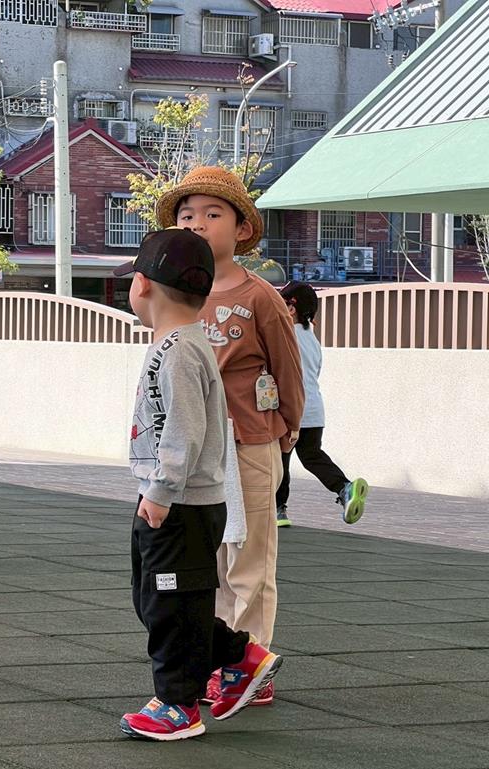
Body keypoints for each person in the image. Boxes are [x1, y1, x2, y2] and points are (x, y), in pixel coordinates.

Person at [116, 228, 283, 741]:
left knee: (171, 605)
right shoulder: (181, 343)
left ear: (142, 285)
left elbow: (184, 430)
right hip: (172, 497)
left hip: (181, 502)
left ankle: (177, 705)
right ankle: (239, 656)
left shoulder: (180, 351)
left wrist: (162, 490)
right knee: (157, 601)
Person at [155, 167, 304, 705]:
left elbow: (288, 367)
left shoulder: (259, 295)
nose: (197, 223)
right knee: (207, 559)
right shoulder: (174, 293)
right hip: (199, 448)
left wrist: (287, 427)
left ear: (241, 228)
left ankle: (251, 665)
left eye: (212, 214)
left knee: (249, 559)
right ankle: (220, 658)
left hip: (250, 439)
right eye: (187, 215)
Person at [275, 281, 369, 528]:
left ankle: (278, 510)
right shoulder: (311, 337)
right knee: (312, 456)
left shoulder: (285, 335)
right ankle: (344, 488)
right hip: (314, 409)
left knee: (279, 459)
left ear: (291, 309)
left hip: (290, 408)